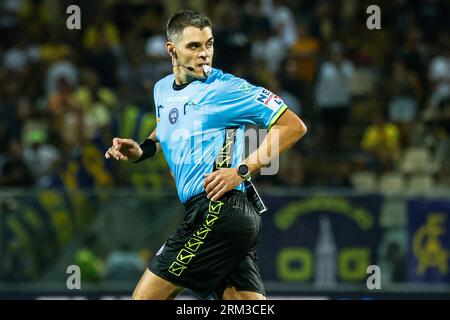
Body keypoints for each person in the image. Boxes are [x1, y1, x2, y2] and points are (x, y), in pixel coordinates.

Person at [105, 10, 307, 300]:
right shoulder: (161, 89)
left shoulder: (227, 89)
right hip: (222, 219)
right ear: (171, 50)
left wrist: (241, 169)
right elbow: (166, 128)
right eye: (194, 46)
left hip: (218, 209)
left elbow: (292, 126)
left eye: (209, 44)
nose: (205, 54)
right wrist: (142, 149)